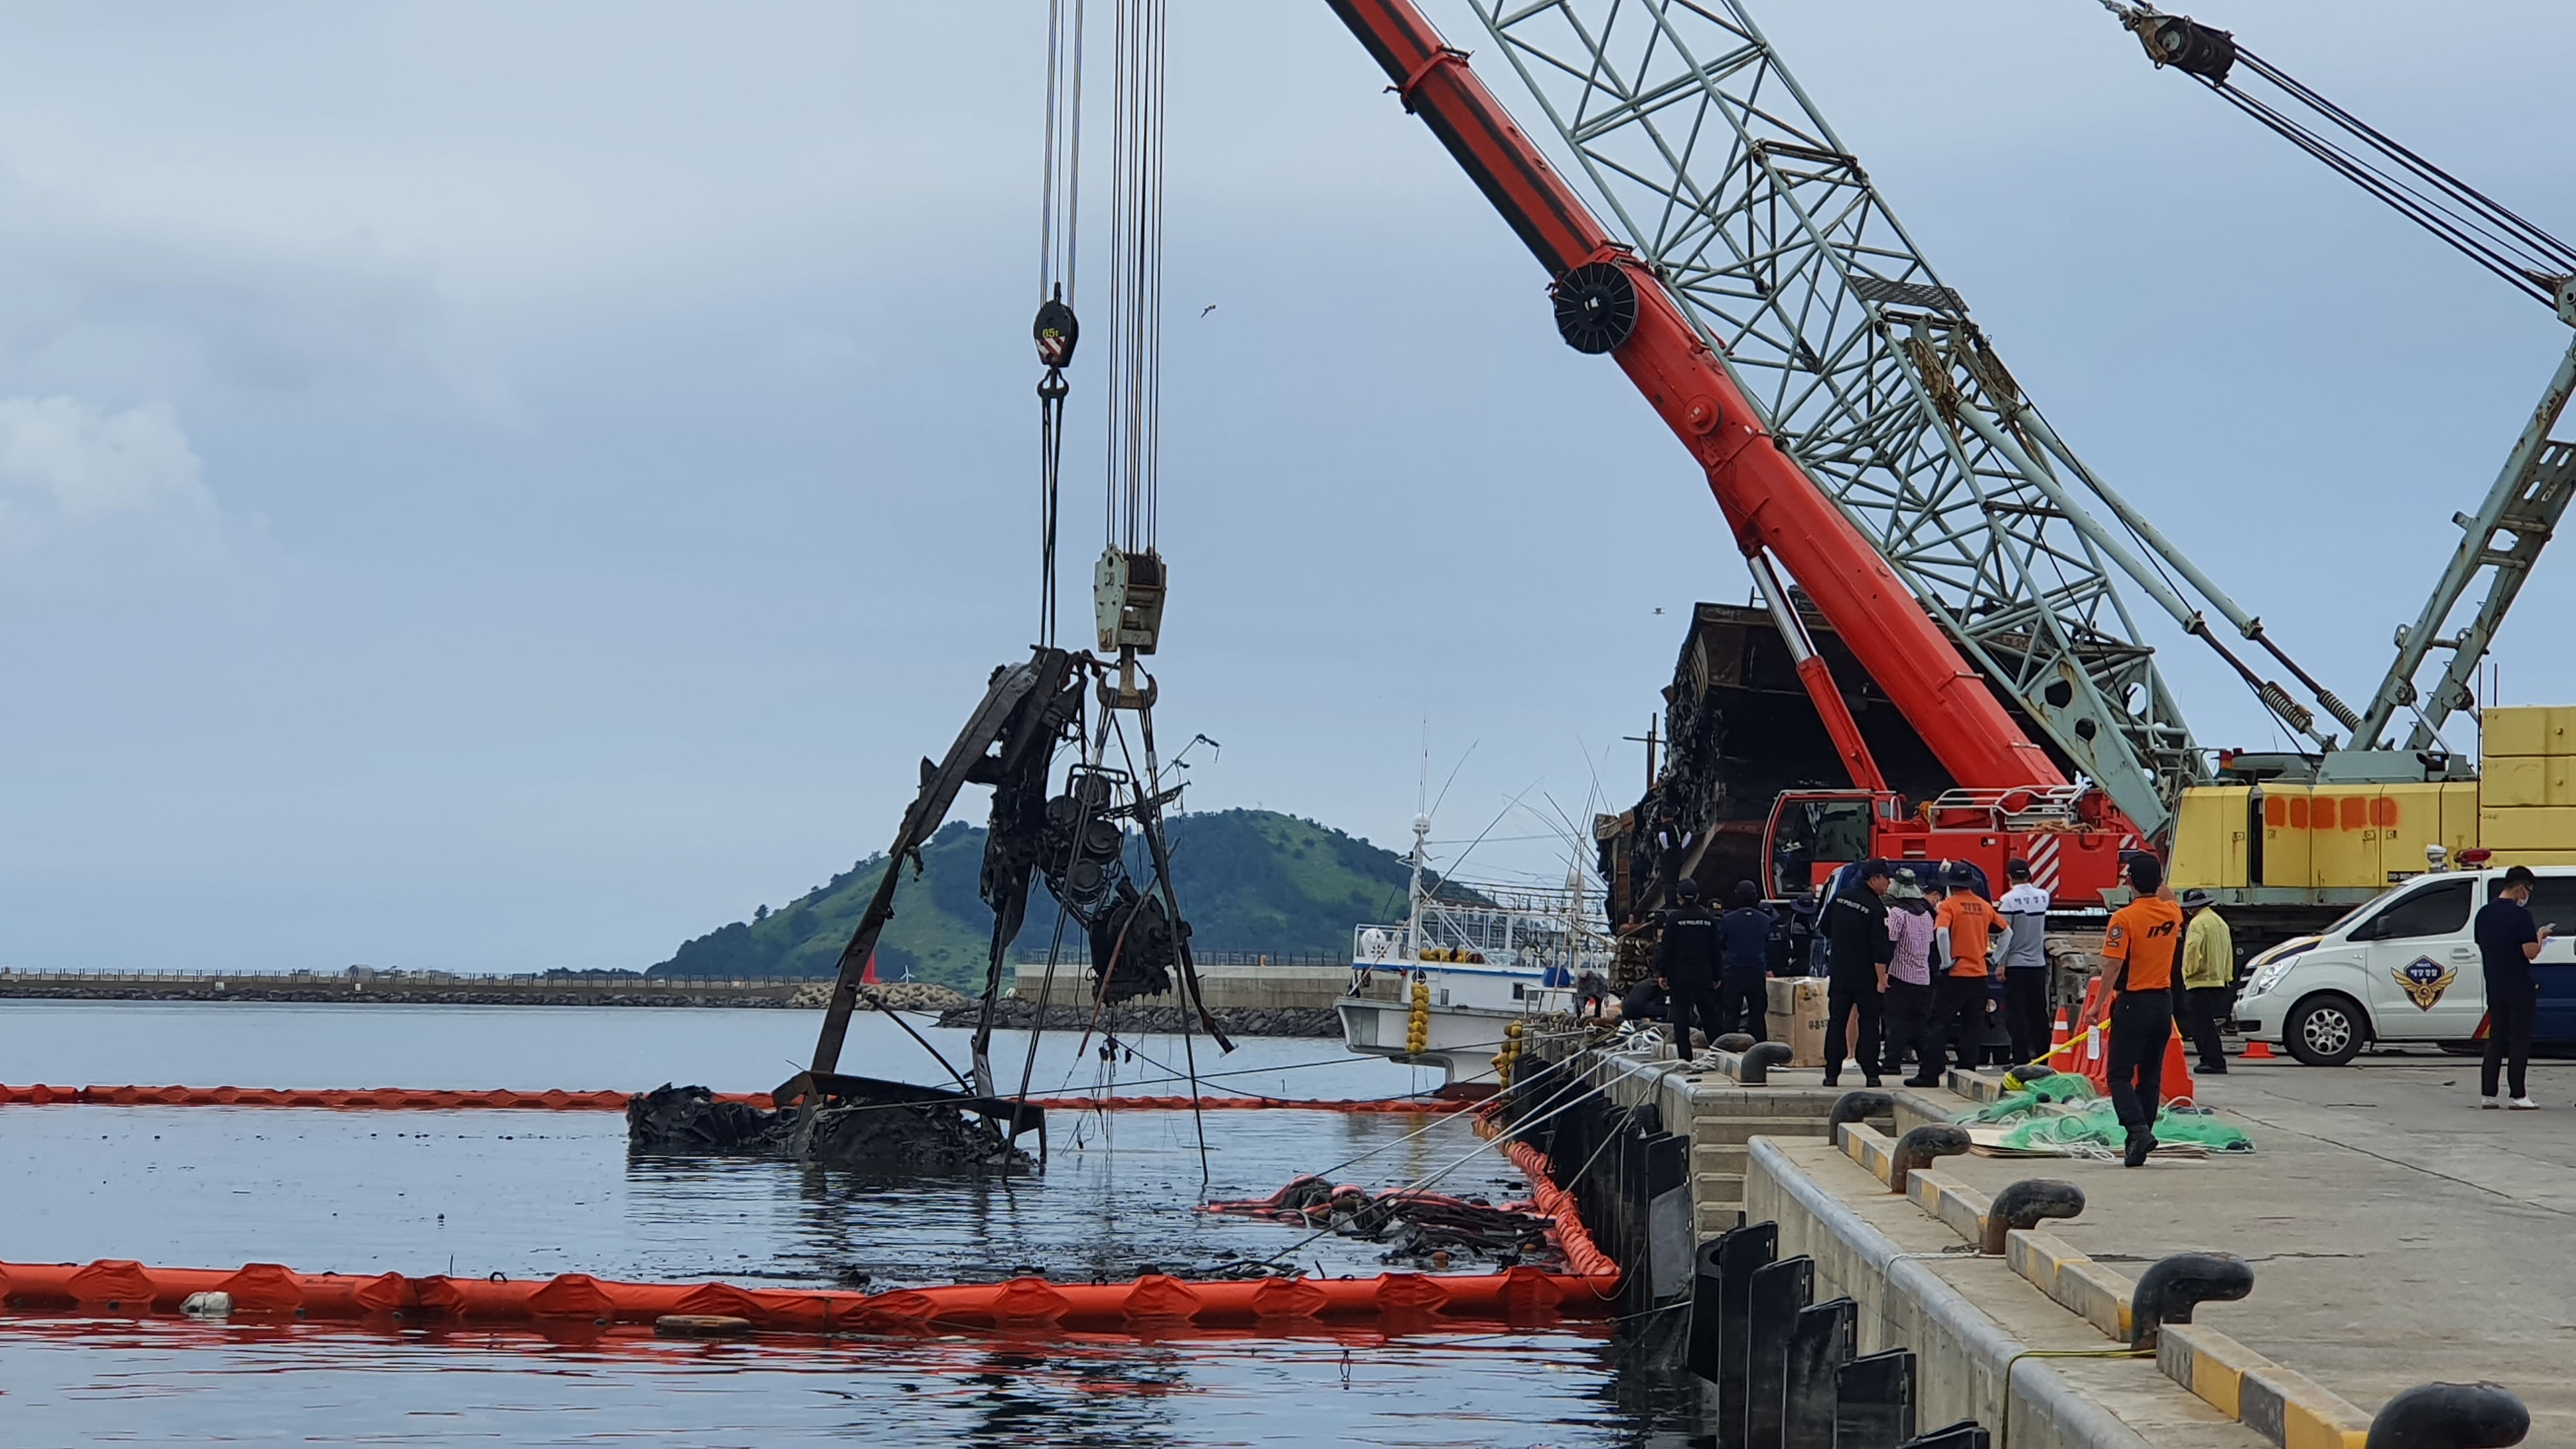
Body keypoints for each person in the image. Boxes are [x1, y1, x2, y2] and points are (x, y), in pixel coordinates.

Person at [2101, 855, 2186, 1167]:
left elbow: (2113, 965)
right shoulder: (2172, 914)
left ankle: (2137, 1129)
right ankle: (2141, 1140)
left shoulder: (2124, 919)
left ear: (2130, 882)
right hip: (2162, 1004)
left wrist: (2097, 1006)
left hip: (2132, 1002)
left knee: (2120, 1075)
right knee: (2150, 1077)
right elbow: (2169, 894)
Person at [2474, 865, 2553, 1109]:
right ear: (2520, 888)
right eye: (2528, 891)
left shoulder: (2484, 914)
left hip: (2495, 985)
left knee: (2496, 1040)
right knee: (2519, 1041)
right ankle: (2518, 1095)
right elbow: (2530, 952)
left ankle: (2489, 1095)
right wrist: (2541, 936)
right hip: (2520, 987)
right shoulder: (2521, 917)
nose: (2527, 896)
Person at [1922, 866, 2000, 1085]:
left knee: (1939, 1023)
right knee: (1972, 1026)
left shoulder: (1948, 906)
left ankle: (1930, 1074)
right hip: (1979, 975)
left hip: (1955, 975)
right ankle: (1966, 1071)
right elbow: (2006, 931)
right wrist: (1995, 958)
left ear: (1950, 884)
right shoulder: (1984, 906)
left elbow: (1942, 931)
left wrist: (1947, 961)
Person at [1821, 859, 1894, 1087]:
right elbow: (1880, 950)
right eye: (1886, 879)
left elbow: (1824, 928)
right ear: (1873, 879)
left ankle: (1831, 1074)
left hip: (1840, 973)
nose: (1889, 884)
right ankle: (1871, 1074)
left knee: (1837, 1022)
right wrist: (1882, 980)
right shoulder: (1876, 908)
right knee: (1869, 1024)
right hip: (1866, 978)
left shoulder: (1840, 897)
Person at [1654, 878, 1724, 1059]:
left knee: (1681, 1015)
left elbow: (1666, 948)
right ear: (1698, 896)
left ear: (1679, 897)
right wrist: (1717, 975)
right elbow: (1716, 950)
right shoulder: (1709, 920)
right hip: (1704, 974)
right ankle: (1718, 1053)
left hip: (1680, 975)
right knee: (1710, 1014)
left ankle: (1685, 1057)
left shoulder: (1674, 920)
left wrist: (1663, 973)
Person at [1880, 868, 1937, 1080]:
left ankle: (1892, 1062)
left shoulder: (1898, 914)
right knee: (1921, 1022)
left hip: (1900, 975)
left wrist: (1883, 971)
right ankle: (1927, 1059)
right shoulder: (1926, 915)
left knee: (1897, 1022)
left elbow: (1890, 942)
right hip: (1923, 977)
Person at [1997, 858, 2053, 1065]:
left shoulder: (2009, 900)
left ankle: (2020, 1058)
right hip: (2037, 964)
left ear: (2009, 877)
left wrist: (2001, 963)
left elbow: (2006, 934)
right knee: (2038, 1012)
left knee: (2017, 1014)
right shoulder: (2043, 896)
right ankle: (2043, 1055)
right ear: (2029, 875)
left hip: (2016, 964)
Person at [2178, 889, 2236, 1075]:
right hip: (2218, 979)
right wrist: (2227, 975)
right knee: (2209, 1023)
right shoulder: (2220, 922)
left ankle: (2212, 1061)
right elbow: (2228, 951)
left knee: (2201, 1025)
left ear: (2190, 908)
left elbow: (2193, 949)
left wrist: (2188, 972)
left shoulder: (2197, 923)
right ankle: (2214, 1059)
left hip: (2200, 980)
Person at [1717, 881, 1776, 1040]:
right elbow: (1768, 947)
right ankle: (1758, 1047)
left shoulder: (1728, 920)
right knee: (1758, 1013)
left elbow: (1720, 945)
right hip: (1757, 971)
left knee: (1731, 1014)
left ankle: (1728, 1047)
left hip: (1733, 972)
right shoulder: (1765, 920)